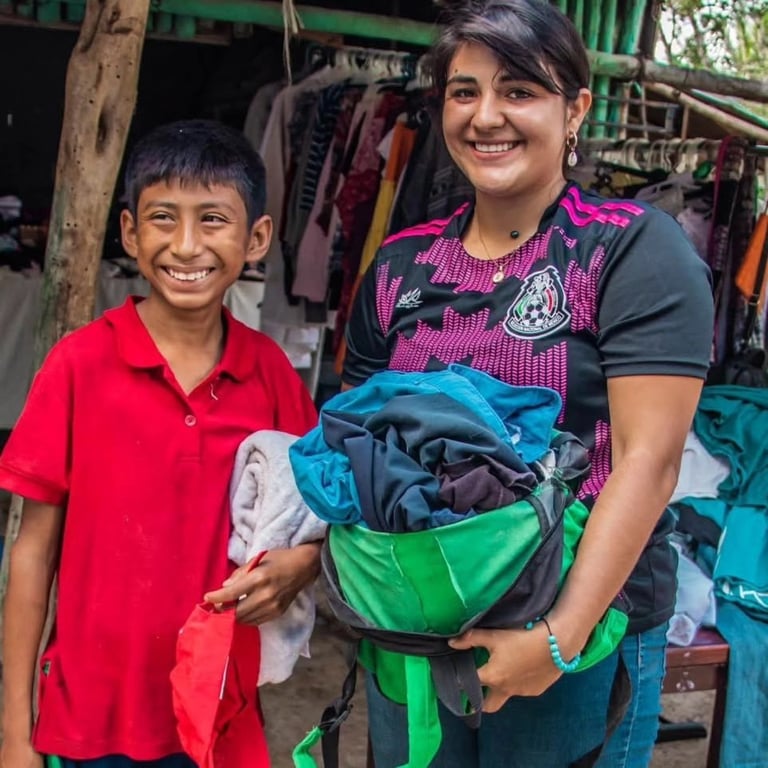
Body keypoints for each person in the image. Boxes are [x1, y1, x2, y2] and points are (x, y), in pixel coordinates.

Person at [341, 2, 714, 766]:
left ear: (575, 108)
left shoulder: (630, 251)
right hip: (420, 620)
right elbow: (356, 436)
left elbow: (649, 461)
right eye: (465, 91)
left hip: (577, 621)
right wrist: (310, 549)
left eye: (518, 91)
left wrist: (559, 640)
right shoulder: (403, 264)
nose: (487, 116)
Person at [0, 119, 320, 768]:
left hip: (218, 708)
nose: (185, 245)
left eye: (212, 220)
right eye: (163, 218)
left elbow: (315, 520)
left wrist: (303, 565)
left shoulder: (271, 376)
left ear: (256, 238)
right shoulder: (77, 367)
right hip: (90, 713)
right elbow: (31, 553)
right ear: (129, 232)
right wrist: (12, 732)